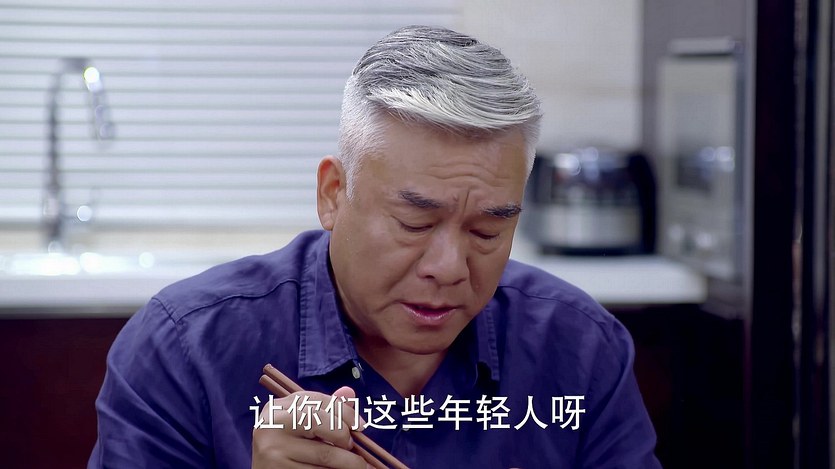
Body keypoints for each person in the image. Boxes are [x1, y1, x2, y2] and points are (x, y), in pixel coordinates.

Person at [89, 25, 662, 469]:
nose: (448, 268)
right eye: (414, 223)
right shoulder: (184, 350)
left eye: (487, 231)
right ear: (333, 194)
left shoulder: (580, 349)